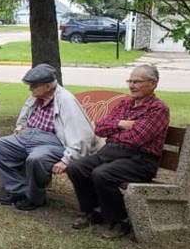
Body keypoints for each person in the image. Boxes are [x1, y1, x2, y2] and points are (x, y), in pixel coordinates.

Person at [66, 64, 170, 239]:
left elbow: (137, 138)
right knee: (76, 167)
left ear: (153, 84)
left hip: (140, 161)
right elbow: (100, 128)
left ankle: (119, 221)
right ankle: (92, 211)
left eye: (137, 82)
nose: (131, 86)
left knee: (102, 174)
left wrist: (113, 133)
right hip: (112, 154)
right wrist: (120, 124)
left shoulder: (158, 109)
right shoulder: (126, 104)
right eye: (130, 81)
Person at [0, 63, 97, 211]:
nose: (30, 88)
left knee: (36, 158)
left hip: (52, 142)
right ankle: (19, 191)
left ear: (47, 86)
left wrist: (67, 159)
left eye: (34, 85)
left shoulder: (66, 101)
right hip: (27, 135)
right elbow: (21, 123)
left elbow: (80, 135)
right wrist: (18, 135)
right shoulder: (34, 99)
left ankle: (34, 198)